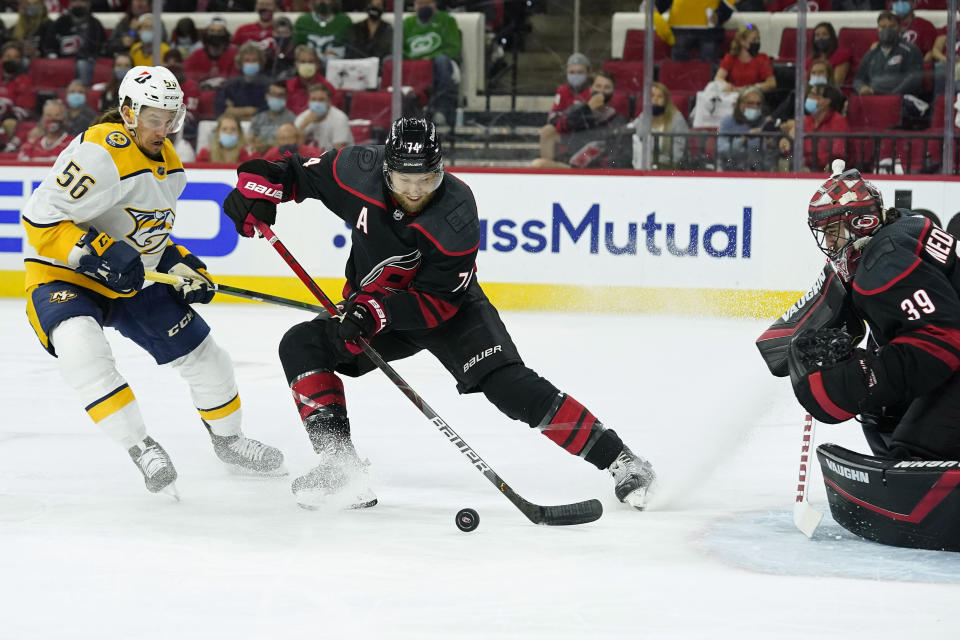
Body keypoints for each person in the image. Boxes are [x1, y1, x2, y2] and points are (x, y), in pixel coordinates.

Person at [220, 117, 656, 510]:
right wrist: (258, 191)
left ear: (440, 172)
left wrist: (372, 311)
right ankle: (341, 467)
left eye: (426, 180)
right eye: (404, 179)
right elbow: (295, 173)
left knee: (510, 386)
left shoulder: (456, 214)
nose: (414, 191)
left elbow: (437, 302)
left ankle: (620, 457)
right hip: (374, 311)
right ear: (385, 170)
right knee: (302, 344)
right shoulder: (357, 169)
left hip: (451, 312)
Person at [19, 66, 285, 497]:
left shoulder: (172, 168)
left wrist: (182, 265)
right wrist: (97, 247)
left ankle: (230, 441)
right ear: (128, 112)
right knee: (80, 348)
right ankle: (140, 447)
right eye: (153, 117)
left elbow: (150, 239)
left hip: (128, 278)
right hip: (63, 273)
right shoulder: (99, 151)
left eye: (170, 118)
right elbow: (40, 219)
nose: (163, 129)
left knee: (207, 358)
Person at [783, 163, 960, 462]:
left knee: (915, 451)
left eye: (832, 231)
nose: (827, 243)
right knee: (882, 416)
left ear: (861, 223)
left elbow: (943, 338)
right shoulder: (902, 228)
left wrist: (868, 373)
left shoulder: (882, 265)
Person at [532, 71, 627, 169]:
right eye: (598, 86)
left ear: (613, 91)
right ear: (591, 89)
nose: (602, 91)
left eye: (607, 87)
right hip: (570, 163)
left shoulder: (616, 118)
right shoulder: (579, 109)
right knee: (540, 161)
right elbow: (561, 126)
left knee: (539, 164)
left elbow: (614, 152)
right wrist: (588, 108)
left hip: (593, 169)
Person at [402, 0, 461, 125]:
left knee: (442, 61)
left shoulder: (447, 20)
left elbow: (454, 48)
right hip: (413, 63)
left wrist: (430, 57)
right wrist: (414, 60)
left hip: (437, 62)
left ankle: (442, 109)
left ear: (435, 4)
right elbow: (397, 48)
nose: (423, 7)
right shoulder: (407, 23)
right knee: (389, 60)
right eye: (420, 4)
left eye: (427, 3)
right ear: (414, 6)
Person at [537, 53, 592, 168]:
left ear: (588, 73)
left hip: (586, 134)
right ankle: (549, 165)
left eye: (580, 72)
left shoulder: (593, 91)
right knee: (547, 131)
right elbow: (552, 118)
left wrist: (568, 117)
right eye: (572, 72)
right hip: (566, 131)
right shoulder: (563, 90)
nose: (575, 75)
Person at [778, 84, 849, 172]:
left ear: (826, 101)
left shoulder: (838, 121)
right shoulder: (806, 121)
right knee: (783, 164)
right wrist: (786, 144)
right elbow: (794, 150)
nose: (808, 97)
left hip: (827, 172)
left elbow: (837, 154)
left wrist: (809, 161)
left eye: (813, 95)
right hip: (803, 169)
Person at [853, 11, 923, 96]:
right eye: (883, 27)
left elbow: (914, 79)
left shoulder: (911, 50)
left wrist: (892, 94)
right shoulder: (871, 53)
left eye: (892, 26)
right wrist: (862, 88)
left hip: (900, 98)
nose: (887, 30)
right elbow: (858, 79)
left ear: (899, 28)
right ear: (877, 28)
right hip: (872, 97)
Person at [41, 0, 106, 86]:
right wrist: (52, 54)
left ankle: (83, 91)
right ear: (70, 4)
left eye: (82, 1)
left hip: (87, 61)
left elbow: (101, 46)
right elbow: (50, 43)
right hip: (63, 60)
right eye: (75, 1)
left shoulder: (95, 24)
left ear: (89, 4)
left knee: (82, 64)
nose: (78, 4)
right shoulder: (61, 22)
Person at [632, 81, 689, 169]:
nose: (655, 99)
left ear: (666, 101)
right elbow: (632, 132)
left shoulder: (676, 119)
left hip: (668, 167)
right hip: (643, 166)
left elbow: (679, 151)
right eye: (652, 96)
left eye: (660, 96)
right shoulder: (644, 116)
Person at [717, 86, 775, 171]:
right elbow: (721, 150)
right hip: (731, 172)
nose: (755, 107)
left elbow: (770, 162)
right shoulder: (728, 121)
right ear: (740, 104)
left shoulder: (765, 124)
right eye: (750, 103)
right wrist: (744, 139)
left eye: (758, 104)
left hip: (758, 174)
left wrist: (771, 146)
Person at [656, 0, 734, 64]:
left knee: (709, 67)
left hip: (707, 29)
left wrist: (720, 15)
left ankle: (711, 82)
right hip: (681, 27)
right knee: (679, 68)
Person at [215, 43, 270, 121]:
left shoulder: (268, 84)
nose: (251, 63)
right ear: (241, 63)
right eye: (247, 60)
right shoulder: (231, 85)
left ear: (260, 63)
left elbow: (267, 112)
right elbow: (222, 110)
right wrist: (249, 110)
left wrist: (236, 112)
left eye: (254, 60)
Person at [714, 25, 775, 93]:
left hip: (753, 96)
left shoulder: (762, 58)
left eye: (758, 39)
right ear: (742, 41)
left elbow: (771, 83)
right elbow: (718, 78)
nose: (757, 42)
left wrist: (752, 88)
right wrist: (725, 84)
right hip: (733, 95)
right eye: (754, 39)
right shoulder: (730, 58)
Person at [294, 82, 353, 151]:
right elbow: (294, 149)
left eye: (321, 100)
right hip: (311, 159)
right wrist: (302, 126)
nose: (317, 103)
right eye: (313, 99)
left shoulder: (339, 118)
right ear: (308, 101)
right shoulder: (302, 118)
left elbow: (339, 153)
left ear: (329, 102)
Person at [184, 17, 238, 88]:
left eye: (219, 32)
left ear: (225, 34)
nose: (215, 34)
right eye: (212, 31)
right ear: (206, 33)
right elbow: (188, 77)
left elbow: (236, 78)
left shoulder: (234, 53)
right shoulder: (196, 54)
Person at [285, 45, 336, 114]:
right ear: (296, 64)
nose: (307, 65)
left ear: (318, 64)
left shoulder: (328, 87)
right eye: (303, 62)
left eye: (311, 62)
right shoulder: (288, 86)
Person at [250, 81, 296, 153]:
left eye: (280, 95)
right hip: (258, 155)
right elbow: (250, 140)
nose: (276, 98)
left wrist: (268, 146)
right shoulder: (258, 118)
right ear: (267, 96)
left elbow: (291, 142)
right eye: (273, 94)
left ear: (286, 97)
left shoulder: (291, 118)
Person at [806, 22, 852, 87]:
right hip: (812, 93)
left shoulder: (842, 55)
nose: (821, 38)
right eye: (817, 35)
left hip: (835, 93)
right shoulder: (809, 60)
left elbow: (837, 82)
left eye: (824, 34)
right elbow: (805, 83)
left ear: (831, 37)